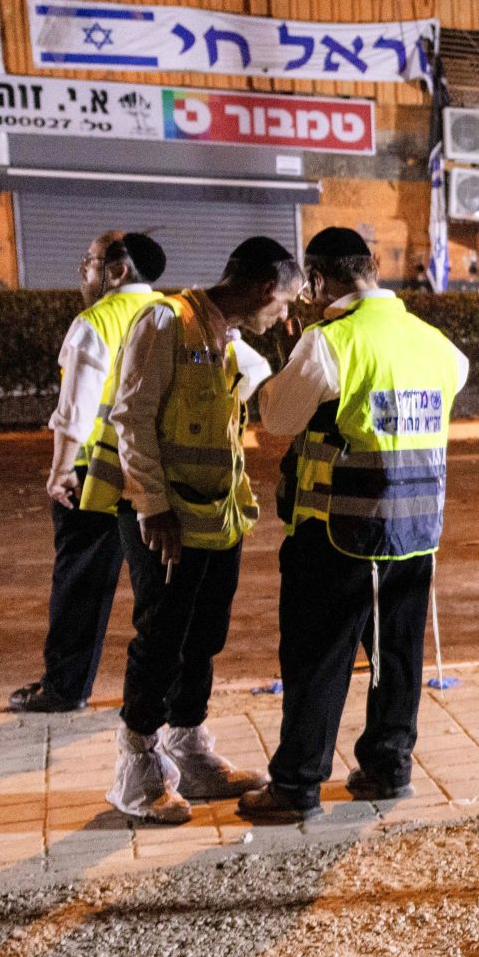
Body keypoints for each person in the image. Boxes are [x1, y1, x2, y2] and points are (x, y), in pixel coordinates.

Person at [239, 227, 469, 823]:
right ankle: (389, 768)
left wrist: (286, 365)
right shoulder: (435, 344)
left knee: (317, 657)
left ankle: (295, 785)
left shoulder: (329, 342)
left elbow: (277, 418)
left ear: (317, 280)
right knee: (396, 655)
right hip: (414, 533)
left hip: (336, 534)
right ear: (370, 267)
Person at [106, 237, 300, 821]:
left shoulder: (229, 341)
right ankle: (136, 768)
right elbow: (131, 418)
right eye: (287, 301)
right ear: (267, 287)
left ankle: (188, 750)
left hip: (218, 519)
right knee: (161, 638)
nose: (286, 315)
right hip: (165, 519)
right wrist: (152, 507)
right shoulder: (166, 322)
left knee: (203, 638)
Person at [8, 230, 165, 715]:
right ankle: (164, 694)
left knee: (81, 584)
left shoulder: (94, 323)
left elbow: (74, 409)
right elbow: (246, 373)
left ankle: (65, 687)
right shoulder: (175, 315)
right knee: (159, 594)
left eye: (91, 261)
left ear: (118, 271)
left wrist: (59, 471)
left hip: (94, 474)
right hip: (157, 476)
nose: (84, 269)